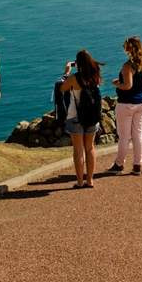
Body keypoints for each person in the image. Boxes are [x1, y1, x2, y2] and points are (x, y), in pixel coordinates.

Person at [59, 50, 103, 188]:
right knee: (90, 148)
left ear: (77, 63)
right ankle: (90, 180)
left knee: (78, 150)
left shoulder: (74, 78)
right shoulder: (95, 75)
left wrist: (66, 72)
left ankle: (79, 182)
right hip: (92, 116)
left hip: (75, 117)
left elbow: (62, 88)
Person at [109, 36, 142, 175]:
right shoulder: (141, 63)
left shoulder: (127, 66)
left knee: (124, 136)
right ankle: (137, 165)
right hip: (141, 103)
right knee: (138, 134)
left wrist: (117, 84)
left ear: (128, 49)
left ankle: (119, 165)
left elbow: (128, 85)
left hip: (126, 104)